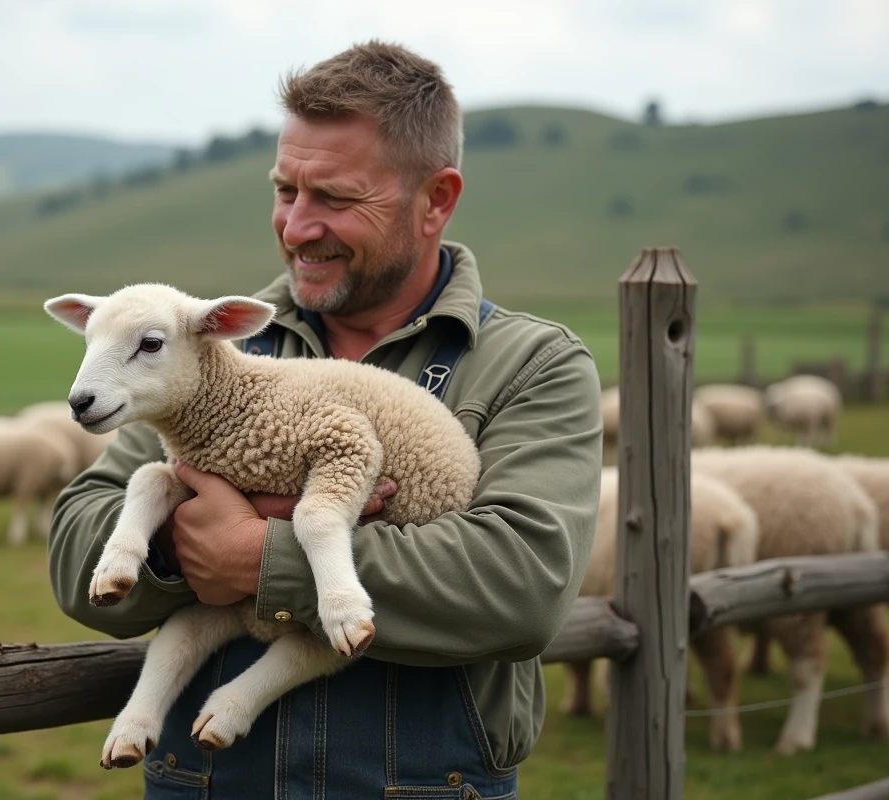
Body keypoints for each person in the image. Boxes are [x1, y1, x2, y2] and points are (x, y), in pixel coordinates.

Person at [48, 40, 602, 799]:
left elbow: (519, 586)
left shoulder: (529, 364)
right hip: (207, 784)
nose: (297, 227)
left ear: (436, 199)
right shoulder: (207, 351)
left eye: (336, 199)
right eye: (285, 191)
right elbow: (82, 549)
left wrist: (256, 554)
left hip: (422, 785)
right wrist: (178, 552)